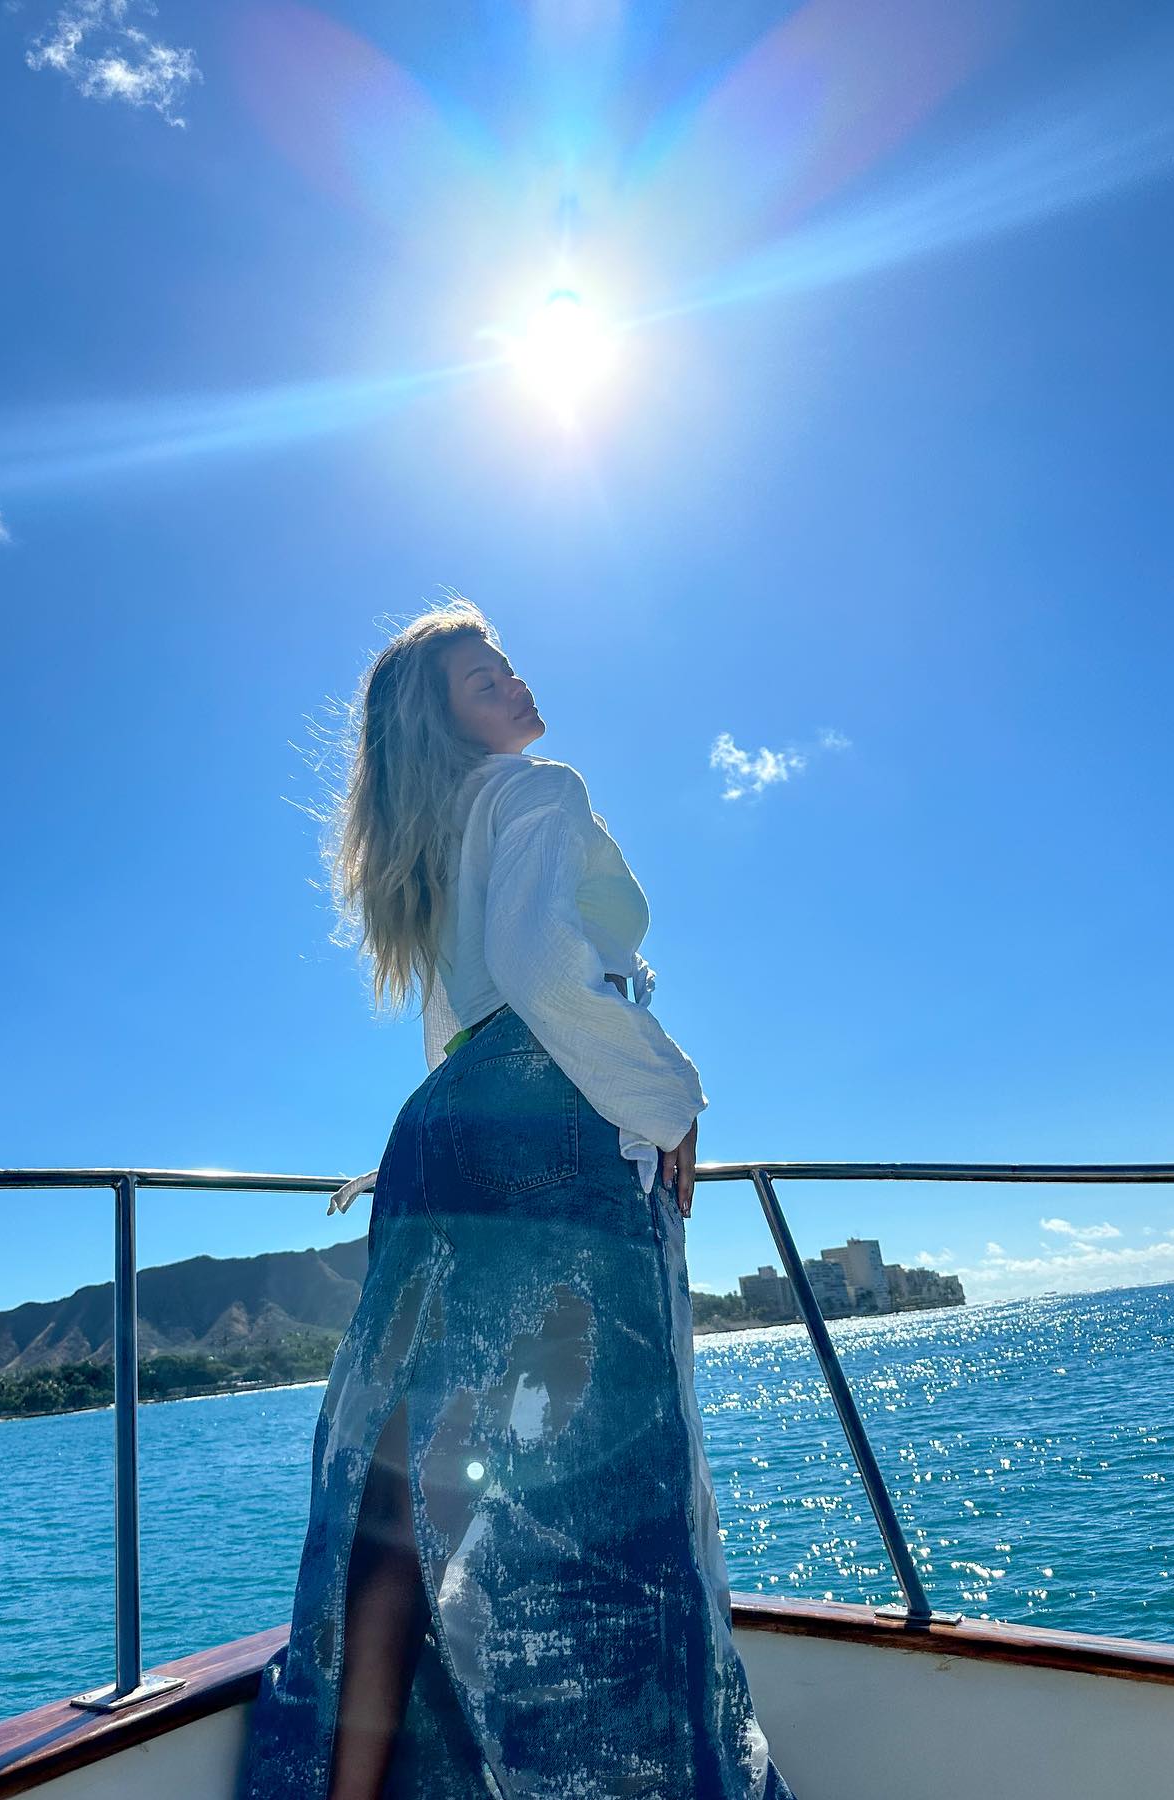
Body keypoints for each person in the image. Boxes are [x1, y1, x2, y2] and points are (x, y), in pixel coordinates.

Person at [237, 598, 797, 1800]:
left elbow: (456, 1024)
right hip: (555, 1110)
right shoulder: (541, 790)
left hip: (439, 1129)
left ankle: (345, 1786)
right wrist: (669, 1096)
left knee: (403, 1481)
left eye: (508, 666)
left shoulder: (433, 836)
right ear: (444, 724)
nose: (515, 685)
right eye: (483, 682)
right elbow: (545, 966)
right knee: (606, 1487)